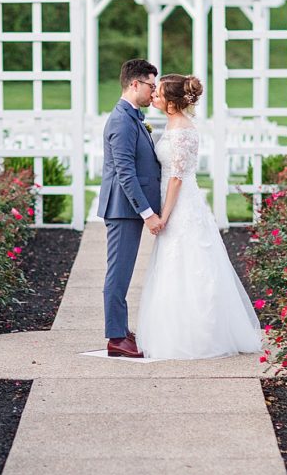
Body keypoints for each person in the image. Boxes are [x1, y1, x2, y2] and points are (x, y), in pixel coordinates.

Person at [135, 74, 263, 359]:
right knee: (176, 264)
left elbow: (177, 178)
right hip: (180, 201)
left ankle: (198, 336)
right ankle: (176, 330)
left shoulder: (181, 130)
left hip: (181, 205)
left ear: (171, 102)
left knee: (188, 264)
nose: (153, 95)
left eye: (158, 92)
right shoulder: (173, 124)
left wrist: (163, 215)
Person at [98, 59, 162, 358]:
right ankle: (115, 338)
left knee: (122, 272)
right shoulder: (122, 121)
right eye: (151, 86)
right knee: (119, 274)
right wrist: (147, 213)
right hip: (124, 209)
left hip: (128, 209)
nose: (154, 92)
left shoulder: (133, 116)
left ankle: (121, 330)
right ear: (134, 84)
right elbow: (125, 172)